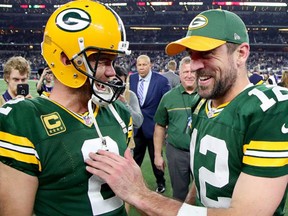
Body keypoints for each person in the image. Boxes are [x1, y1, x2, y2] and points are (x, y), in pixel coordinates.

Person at [85, 9, 288, 216]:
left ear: (241, 54)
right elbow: (202, 180)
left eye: (207, 53)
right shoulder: (201, 103)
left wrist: (139, 194)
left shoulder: (270, 109)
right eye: (191, 55)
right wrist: (189, 203)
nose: (194, 65)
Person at [0, 1, 132, 215]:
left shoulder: (120, 114)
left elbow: (126, 194)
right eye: (103, 61)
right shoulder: (24, 119)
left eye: (113, 61)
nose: (112, 73)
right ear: (66, 60)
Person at [154, 56, 200, 201]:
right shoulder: (168, 97)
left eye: (193, 71)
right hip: (177, 152)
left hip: (202, 152)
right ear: (179, 74)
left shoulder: (209, 95)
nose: (189, 75)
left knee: (204, 194)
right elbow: (160, 126)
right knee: (179, 195)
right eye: (185, 72)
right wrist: (157, 155)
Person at [130, 54, 171, 193]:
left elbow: (167, 104)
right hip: (136, 128)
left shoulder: (161, 81)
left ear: (150, 65)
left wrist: (166, 124)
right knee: (135, 159)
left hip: (154, 128)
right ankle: (132, 183)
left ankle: (161, 183)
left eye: (144, 64)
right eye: (139, 65)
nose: (141, 67)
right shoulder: (132, 79)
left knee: (156, 157)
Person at [114, 65, 143, 129]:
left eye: (120, 83)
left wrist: (125, 104)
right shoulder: (101, 95)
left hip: (126, 137)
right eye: (115, 82)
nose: (117, 86)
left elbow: (138, 122)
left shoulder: (130, 95)